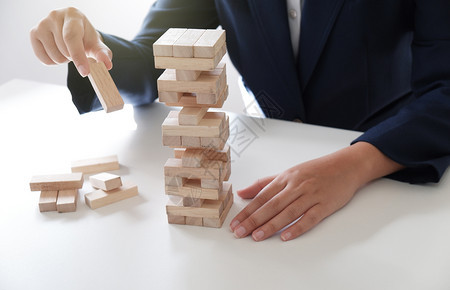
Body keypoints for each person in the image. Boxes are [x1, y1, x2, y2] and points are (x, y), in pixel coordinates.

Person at [30, 0, 450, 242]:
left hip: (392, 160)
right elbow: (154, 61)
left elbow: (445, 88)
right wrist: (91, 49)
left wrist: (357, 163)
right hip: (264, 147)